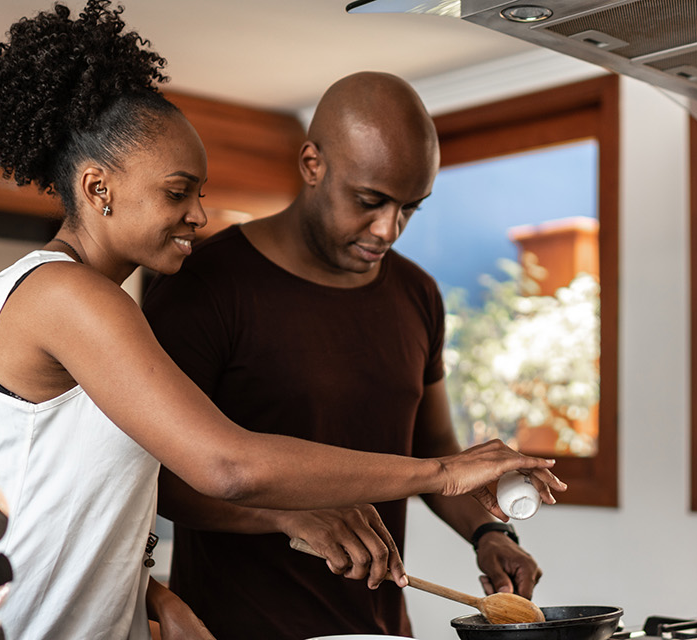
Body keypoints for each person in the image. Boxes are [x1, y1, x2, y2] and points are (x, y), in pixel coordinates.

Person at [0, 4, 564, 640]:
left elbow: (63, 496)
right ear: (98, 189)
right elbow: (225, 466)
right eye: (177, 192)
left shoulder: (87, 301)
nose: (199, 215)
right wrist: (444, 472)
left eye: (199, 193)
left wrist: (148, 593)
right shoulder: (65, 295)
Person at [142, 72, 556, 640]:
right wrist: (287, 512)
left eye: (410, 208)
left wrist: (489, 534)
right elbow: (155, 475)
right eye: (370, 201)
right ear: (312, 164)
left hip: (379, 629)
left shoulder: (417, 293)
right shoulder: (205, 283)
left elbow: (431, 450)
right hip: (233, 628)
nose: (389, 229)